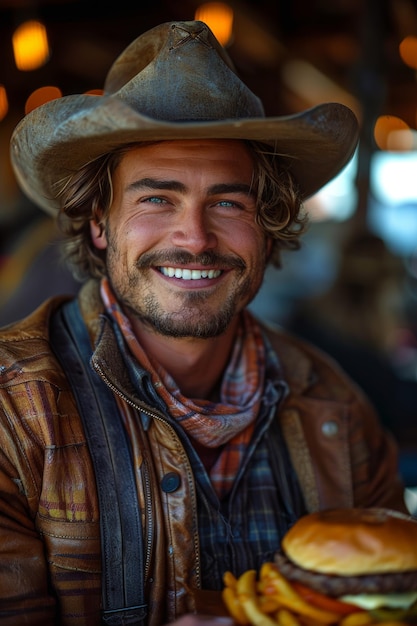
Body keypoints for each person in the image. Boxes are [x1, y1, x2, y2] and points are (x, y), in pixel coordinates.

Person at [0, 19, 408, 626]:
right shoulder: (12, 411)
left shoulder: (338, 410)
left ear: (268, 228)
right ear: (98, 223)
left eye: (227, 201)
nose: (194, 238)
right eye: (156, 199)